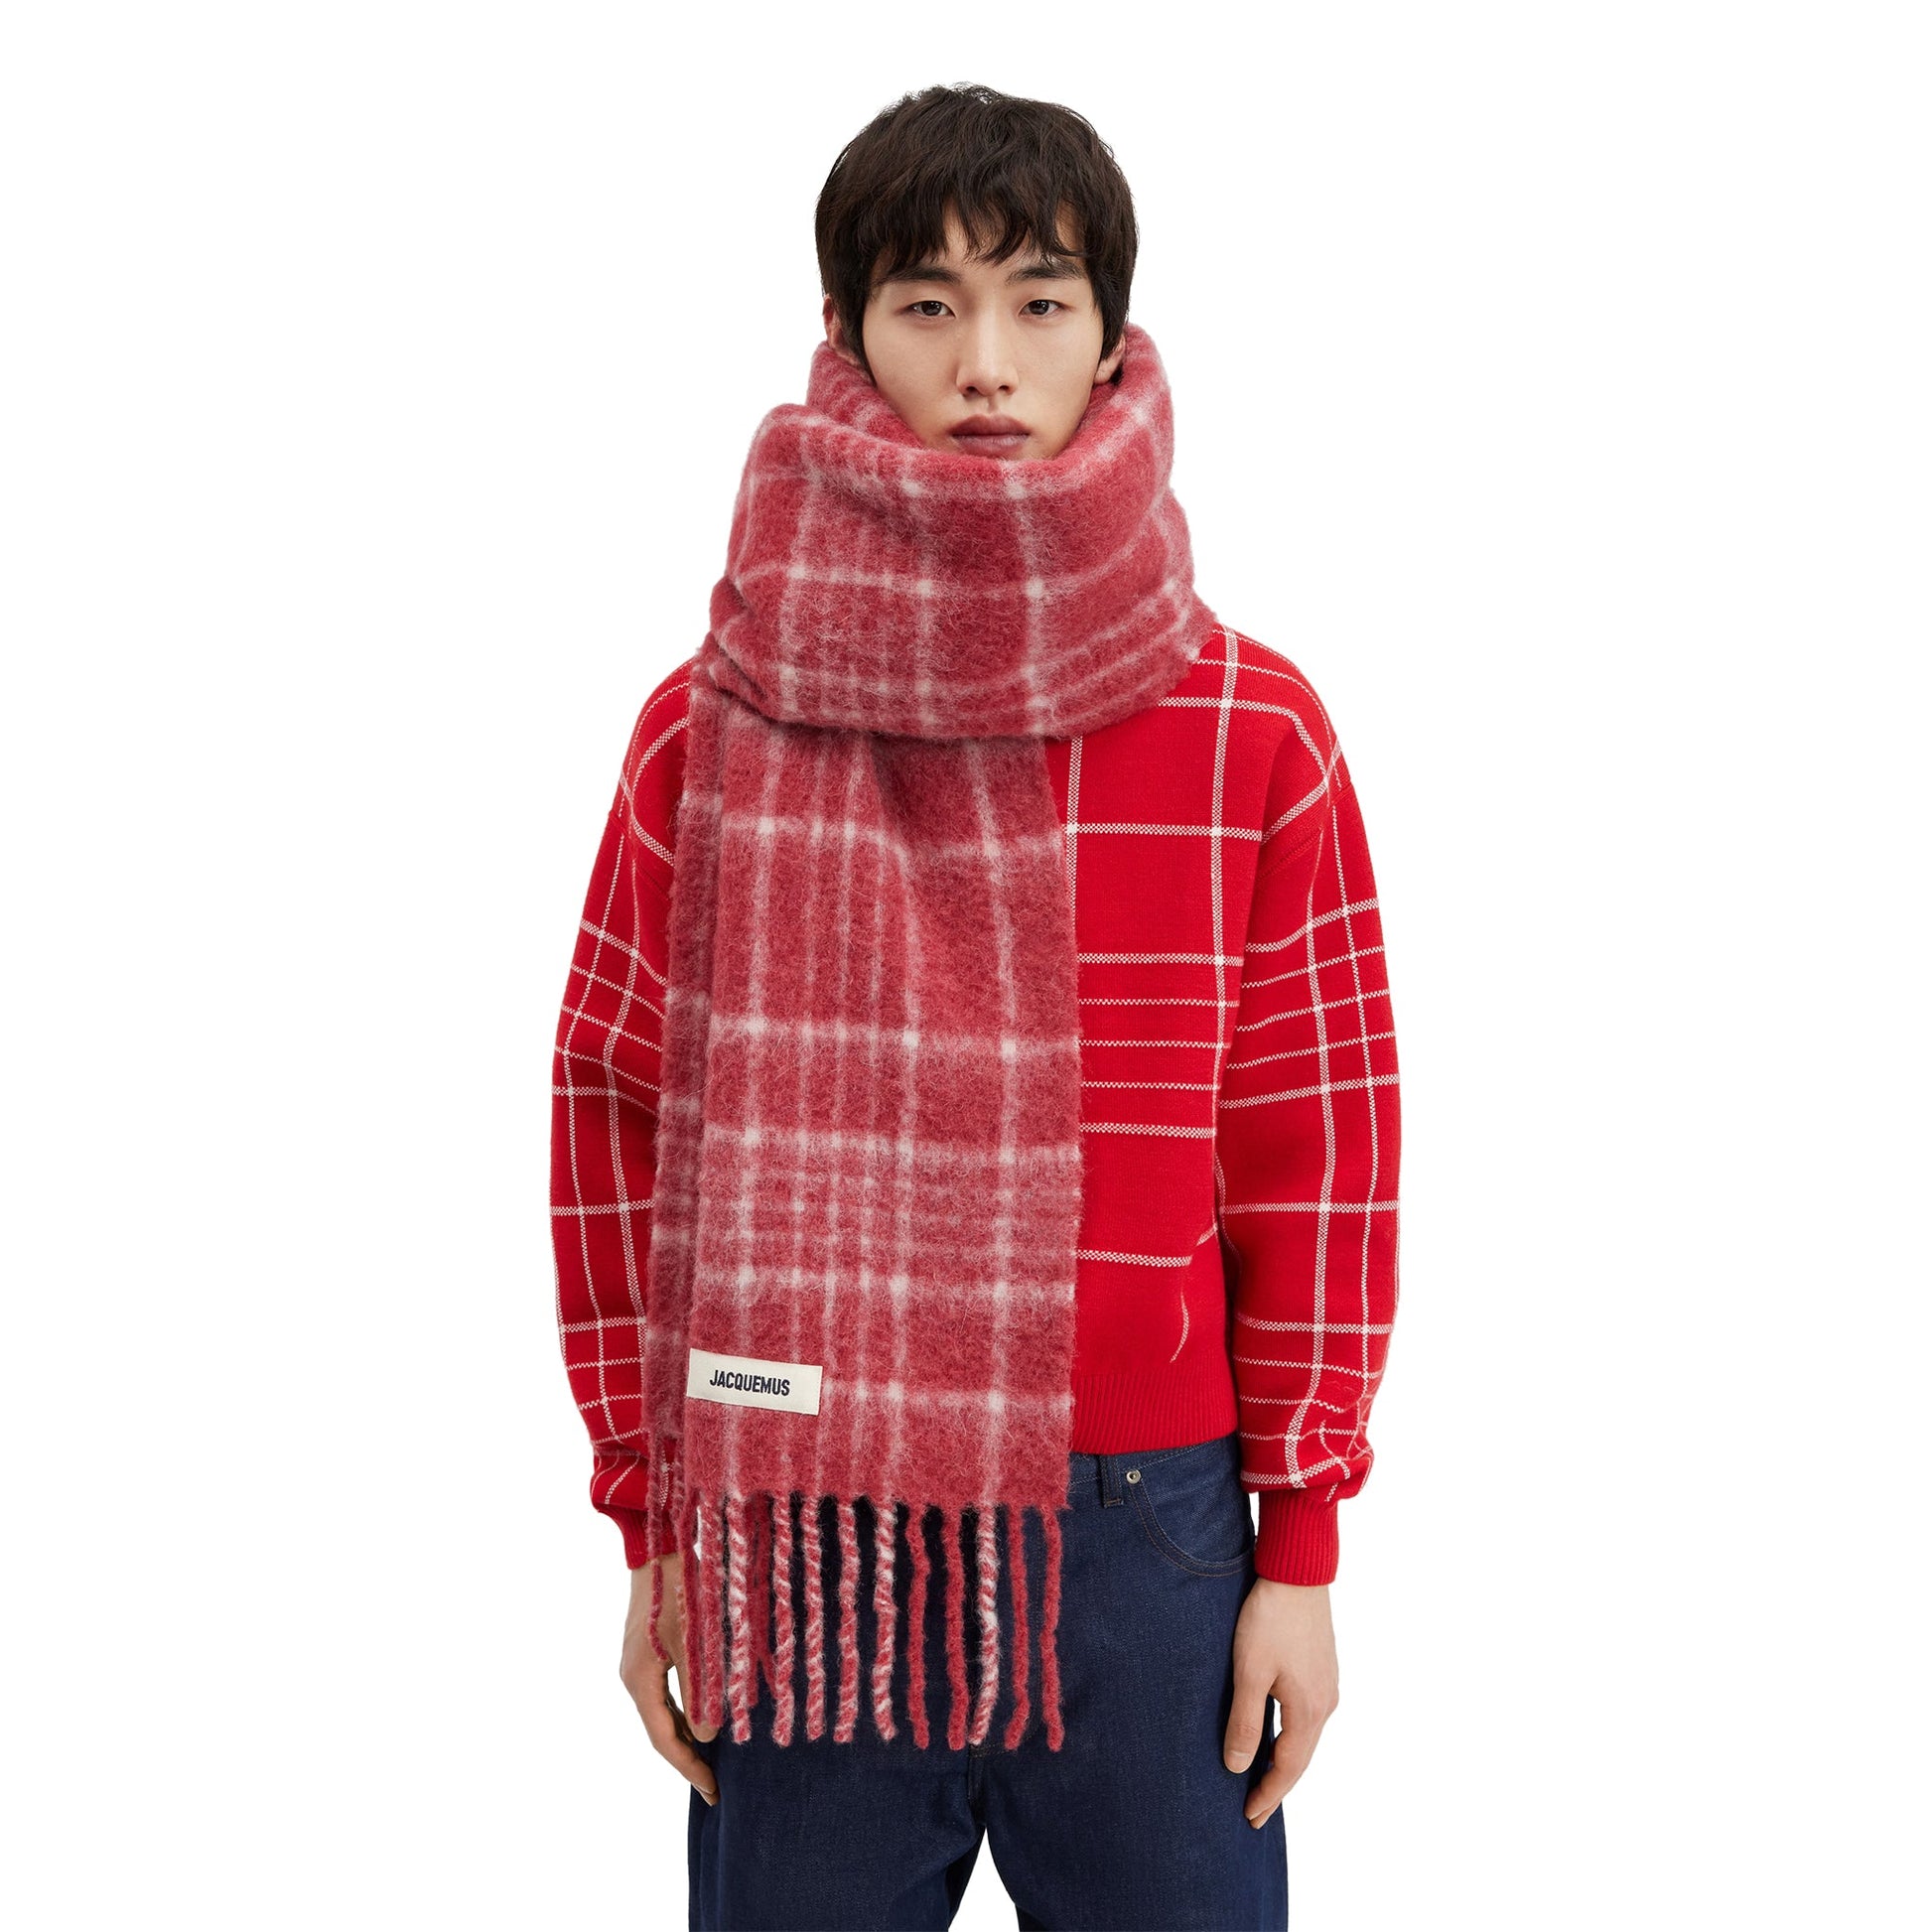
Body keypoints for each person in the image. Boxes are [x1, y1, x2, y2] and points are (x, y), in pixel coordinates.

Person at [550, 82, 1402, 1931]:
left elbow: (1312, 1149)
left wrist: (1302, 1549)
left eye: (1037, 298)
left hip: (1149, 1538)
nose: (987, 360)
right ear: (846, 334)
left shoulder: (1249, 724)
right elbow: (614, 1119)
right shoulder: (711, 727)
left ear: (1111, 333)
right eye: (926, 304)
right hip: (807, 1533)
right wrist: (656, 1524)